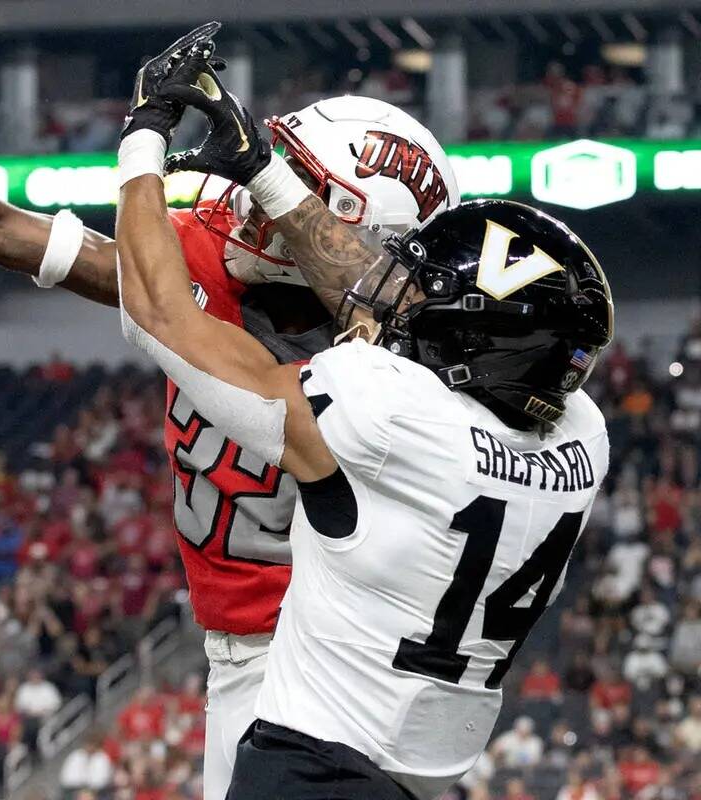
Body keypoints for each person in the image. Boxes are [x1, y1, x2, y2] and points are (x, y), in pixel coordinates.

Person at [0, 23, 460, 799]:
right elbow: (1, 228)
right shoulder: (214, 258)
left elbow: (404, 312)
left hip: (347, 655)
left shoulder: (413, 364)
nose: (242, 202)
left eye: (280, 191)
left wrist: (152, 149)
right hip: (242, 653)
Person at [113, 25, 610, 800]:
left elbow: (161, 313)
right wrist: (265, 172)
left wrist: (143, 136)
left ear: (472, 335)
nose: (395, 290)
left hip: (312, 759)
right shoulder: (582, 436)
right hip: (419, 765)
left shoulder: (382, 410)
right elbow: (424, 316)